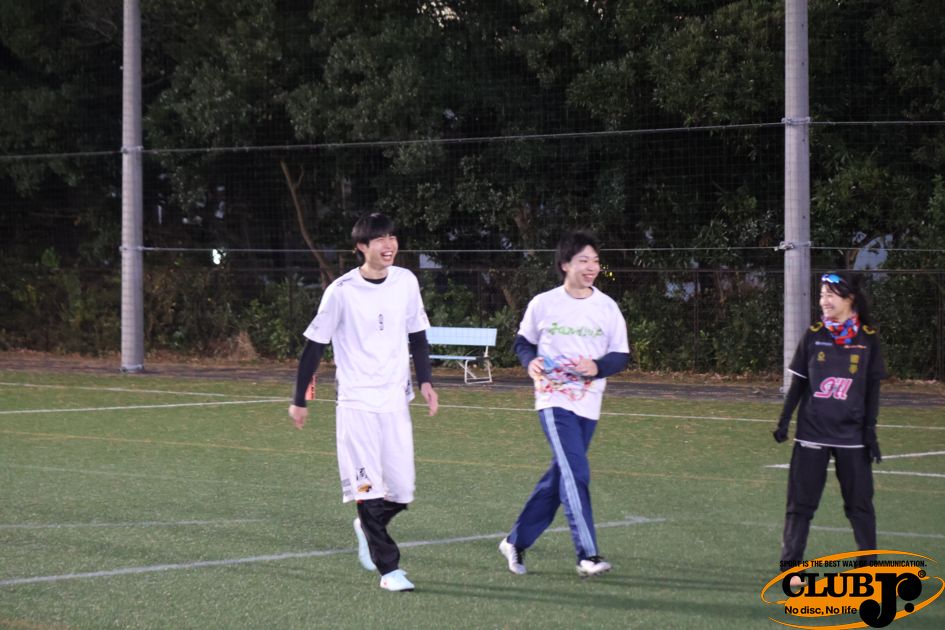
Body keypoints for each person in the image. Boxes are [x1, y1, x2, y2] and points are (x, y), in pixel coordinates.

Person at [288, 212, 438, 593]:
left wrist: (426, 381)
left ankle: (367, 526)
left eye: (392, 237)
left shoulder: (406, 281)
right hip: (356, 404)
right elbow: (314, 348)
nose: (389, 245)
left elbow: (418, 335)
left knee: (402, 492)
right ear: (361, 247)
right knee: (368, 490)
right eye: (380, 239)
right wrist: (299, 399)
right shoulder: (341, 291)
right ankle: (390, 570)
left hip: (396, 401)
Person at [499, 230, 630, 578]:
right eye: (583, 260)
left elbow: (620, 354)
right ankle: (587, 555)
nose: (591, 267)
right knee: (576, 473)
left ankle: (515, 540)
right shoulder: (543, 303)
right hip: (553, 398)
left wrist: (598, 367)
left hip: (589, 403)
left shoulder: (607, 307)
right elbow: (523, 342)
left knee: (561, 476)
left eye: (595, 261)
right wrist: (529, 361)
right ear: (565, 264)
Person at [773, 271, 887, 584]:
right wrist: (784, 420)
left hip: (852, 437)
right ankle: (791, 569)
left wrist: (870, 432)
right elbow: (798, 384)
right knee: (800, 505)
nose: (823, 301)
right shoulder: (813, 335)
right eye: (821, 295)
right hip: (812, 433)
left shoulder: (868, 338)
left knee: (860, 505)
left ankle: (868, 569)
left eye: (830, 295)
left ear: (849, 298)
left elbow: (872, 390)